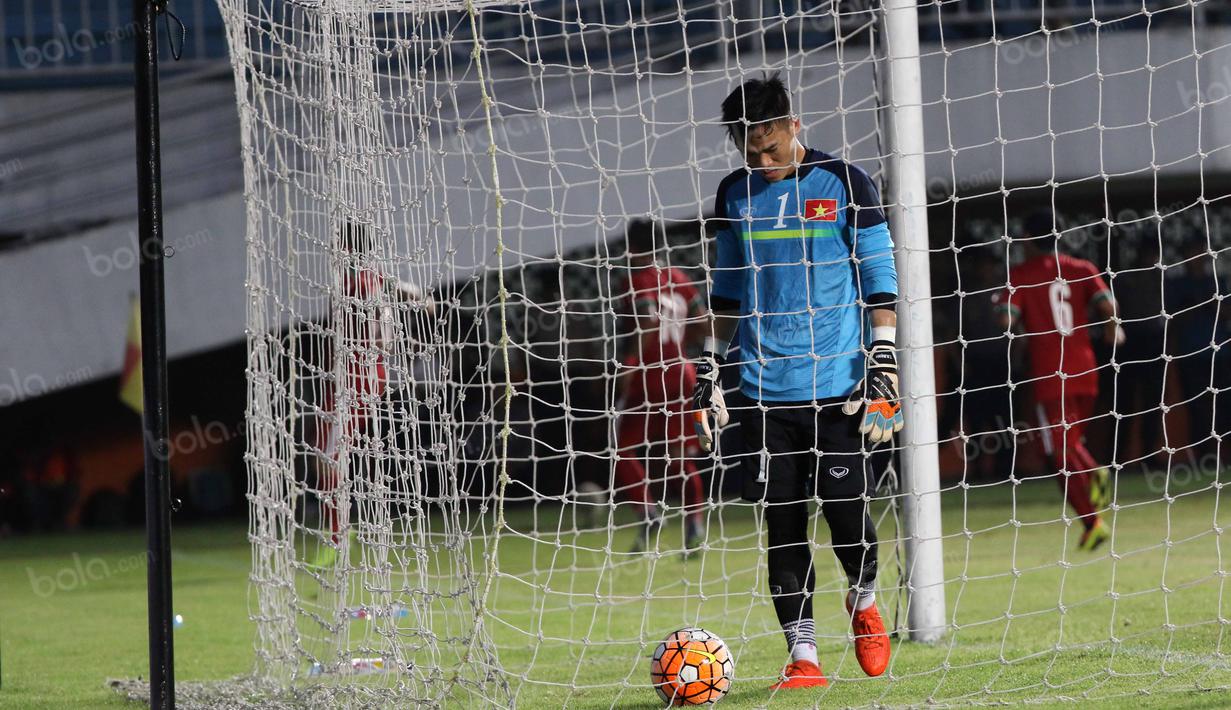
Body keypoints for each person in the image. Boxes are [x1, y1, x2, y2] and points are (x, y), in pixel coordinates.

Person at [691, 73, 899, 689]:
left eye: (771, 148)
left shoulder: (845, 182)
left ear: (792, 126)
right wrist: (710, 365)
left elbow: (880, 273)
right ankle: (803, 658)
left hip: (838, 387)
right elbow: (726, 289)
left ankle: (863, 600)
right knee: (781, 523)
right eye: (749, 150)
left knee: (847, 517)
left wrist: (883, 356)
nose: (762, 160)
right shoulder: (734, 194)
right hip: (760, 390)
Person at [993, 209, 1123, 552]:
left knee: (1057, 455)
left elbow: (1007, 319)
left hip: (1052, 376)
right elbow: (1108, 305)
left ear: (1028, 240)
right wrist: (1113, 330)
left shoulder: (1021, 274)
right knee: (1066, 446)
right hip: (1086, 371)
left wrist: (1002, 311)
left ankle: (1093, 517)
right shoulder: (1082, 269)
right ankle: (1094, 485)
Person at [613, 219, 707, 553]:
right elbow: (702, 321)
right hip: (683, 373)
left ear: (632, 247)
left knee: (622, 449)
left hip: (650, 375)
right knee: (678, 455)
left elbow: (648, 322)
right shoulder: (679, 278)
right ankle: (694, 522)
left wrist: (631, 362)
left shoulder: (634, 281)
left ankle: (648, 509)